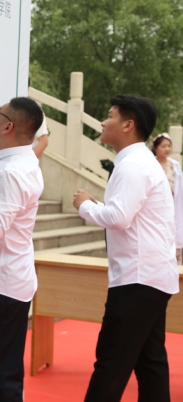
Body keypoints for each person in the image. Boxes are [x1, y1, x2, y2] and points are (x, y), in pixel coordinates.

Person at [73, 95, 179, 402]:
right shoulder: (140, 162)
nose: (103, 121)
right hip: (150, 276)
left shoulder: (132, 165)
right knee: (150, 362)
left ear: (128, 125)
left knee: (111, 365)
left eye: (110, 116)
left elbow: (118, 217)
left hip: (138, 279)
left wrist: (85, 205)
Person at [0, 97, 45, 402]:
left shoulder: (11, 171)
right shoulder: (18, 159)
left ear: (8, 126)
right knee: (3, 370)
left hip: (0, 285)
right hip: (11, 279)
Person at [152, 133, 183, 264]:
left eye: (169, 146)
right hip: (156, 206)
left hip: (174, 205)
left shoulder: (175, 165)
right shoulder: (151, 164)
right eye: (163, 146)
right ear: (155, 148)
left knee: (175, 230)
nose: (167, 149)